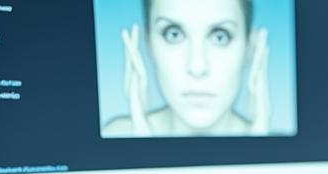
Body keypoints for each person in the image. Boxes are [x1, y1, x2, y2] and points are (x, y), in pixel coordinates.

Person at [104, 0, 271, 137]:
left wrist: (260, 150)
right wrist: (143, 146)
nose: (197, 67)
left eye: (220, 37)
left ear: (250, 46)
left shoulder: (284, 151)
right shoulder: (117, 134)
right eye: (174, 34)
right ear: (148, 43)